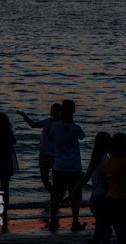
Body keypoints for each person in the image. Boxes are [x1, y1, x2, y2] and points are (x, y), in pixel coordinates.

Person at [48, 99, 86, 233]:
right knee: (75, 196)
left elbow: (50, 138)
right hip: (74, 167)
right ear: (73, 112)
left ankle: (53, 221)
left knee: (55, 195)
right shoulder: (76, 128)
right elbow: (82, 136)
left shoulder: (55, 126)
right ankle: (75, 221)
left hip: (59, 166)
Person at [68, 132, 111, 244]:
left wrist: (71, 194)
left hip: (94, 200)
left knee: (100, 231)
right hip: (103, 200)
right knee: (104, 233)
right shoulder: (107, 161)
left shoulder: (94, 161)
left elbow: (84, 180)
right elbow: (108, 183)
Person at [102, 133, 126, 244]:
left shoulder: (107, 162)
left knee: (119, 233)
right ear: (123, 146)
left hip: (110, 200)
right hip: (124, 201)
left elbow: (105, 183)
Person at [17, 103, 61, 194]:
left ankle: (55, 200)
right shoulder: (47, 121)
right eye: (52, 110)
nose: (53, 112)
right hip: (44, 154)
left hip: (55, 156)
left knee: (56, 181)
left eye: (55, 110)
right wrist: (24, 116)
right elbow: (34, 125)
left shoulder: (61, 125)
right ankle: (55, 197)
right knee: (45, 180)